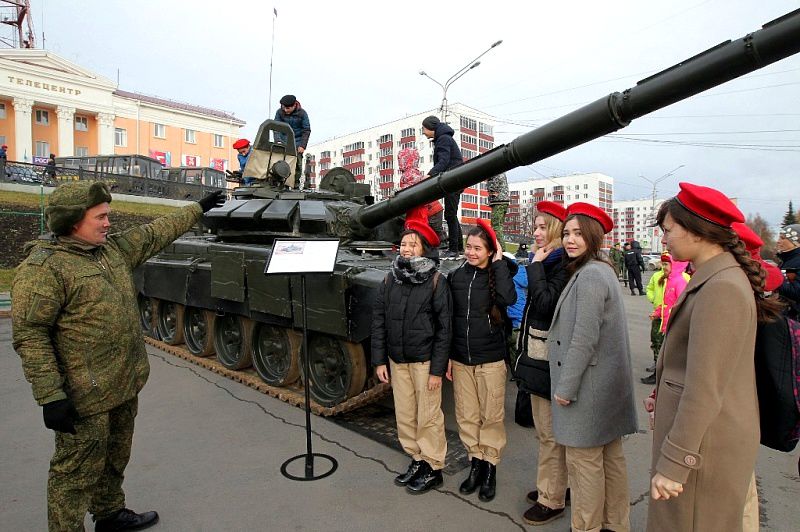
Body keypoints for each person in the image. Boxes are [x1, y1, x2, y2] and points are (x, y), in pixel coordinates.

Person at [11, 181, 225, 532]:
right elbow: (31, 334)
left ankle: (109, 513)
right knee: (74, 475)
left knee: (114, 458)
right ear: (73, 221)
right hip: (84, 396)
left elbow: (155, 232)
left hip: (123, 383)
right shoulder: (45, 270)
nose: (108, 222)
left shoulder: (111, 251)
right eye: (101, 217)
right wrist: (50, 395)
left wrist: (198, 208)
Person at [647, 182, 783, 532]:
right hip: (703, 441)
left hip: (704, 450)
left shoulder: (721, 287)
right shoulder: (713, 278)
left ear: (696, 230)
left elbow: (705, 389)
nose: (664, 239)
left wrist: (675, 463)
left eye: (669, 230)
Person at [549, 202, 638, 532]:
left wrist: (565, 388)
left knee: (584, 465)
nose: (570, 240)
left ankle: (585, 527)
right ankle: (616, 524)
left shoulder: (589, 276)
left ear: (593, 236)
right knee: (611, 460)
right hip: (604, 390)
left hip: (587, 390)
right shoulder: (601, 269)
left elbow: (583, 340)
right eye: (567, 233)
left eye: (578, 233)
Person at [371, 208, 451, 494]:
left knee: (428, 415)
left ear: (424, 248)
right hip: (397, 359)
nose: (406, 248)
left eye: (412, 244)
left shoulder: (435, 281)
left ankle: (434, 466)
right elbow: (379, 320)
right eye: (404, 243)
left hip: (424, 361)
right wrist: (379, 359)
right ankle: (417, 459)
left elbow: (444, 329)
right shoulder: (390, 278)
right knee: (405, 414)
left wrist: (437, 370)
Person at [512, 201, 572, 526]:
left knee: (549, 434)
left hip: (549, 360)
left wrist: (535, 266)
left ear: (557, 231)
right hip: (538, 358)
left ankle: (552, 499)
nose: (536, 234)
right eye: (534, 227)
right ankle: (555, 486)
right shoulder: (549, 261)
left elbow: (547, 303)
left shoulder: (561, 263)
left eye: (542, 228)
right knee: (545, 431)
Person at [448, 218, 517, 502]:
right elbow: (448, 319)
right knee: (467, 416)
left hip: (490, 359)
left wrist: (499, 263)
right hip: (462, 359)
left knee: (491, 417)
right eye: (469, 246)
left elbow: (508, 298)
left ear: (491, 251)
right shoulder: (456, 276)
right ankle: (475, 464)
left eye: (478, 248)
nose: (472, 252)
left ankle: (490, 469)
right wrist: (449, 358)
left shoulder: (498, 274)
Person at [641, 253, 690, 385]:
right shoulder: (668, 280)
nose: (664, 267)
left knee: (668, 351)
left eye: (666, 264)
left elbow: (682, 305)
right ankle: (659, 374)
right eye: (663, 264)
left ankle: (663, 376)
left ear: (676, 265)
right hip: (662, 320)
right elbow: (666, 303)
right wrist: (657, 312)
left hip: (671, 324)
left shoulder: (680, 281)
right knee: (658, 346)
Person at [421, 115, 464, 256]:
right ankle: (457, 247)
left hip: (453, 180)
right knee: (451, 214)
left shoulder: (444, 139)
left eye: (424, 129)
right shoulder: (443, 138)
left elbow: (444, 161)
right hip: (453, 180)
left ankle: (453, 250)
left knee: (450, 214)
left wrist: (430, 174)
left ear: (431, 128)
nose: (423, 132)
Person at [397, 147, 445, 244]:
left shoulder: (409, 174)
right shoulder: (415, 173)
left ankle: (440, 245)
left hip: (430, 210)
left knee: (429, 233)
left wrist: (398, 193)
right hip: (434, 208)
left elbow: (410, 191)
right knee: (436, 232)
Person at [274, 94, 311, 180]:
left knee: (297, 165)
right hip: (283, 141)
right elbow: (276, 127)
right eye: (284, 107)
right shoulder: (279, 112)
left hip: (297, 142)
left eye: (288, 108)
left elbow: (306, 130)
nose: (285, 110)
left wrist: (302, 145)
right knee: (280, 163)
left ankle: (296, 184)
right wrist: (278, 140)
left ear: (294, 105)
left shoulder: (302, 113)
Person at [776, 223, 800, 319]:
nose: (778, 241)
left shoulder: (797, 262)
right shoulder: (787, 260)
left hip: (795, 319)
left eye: (782, 238)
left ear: (796, 242)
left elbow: (797, 292)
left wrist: (774, 279)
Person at [487, 173, 510, 249]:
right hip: (503, 201)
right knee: (499, 226)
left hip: (499, 201)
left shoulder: (496, 170)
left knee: (496, 226)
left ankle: (501, 249)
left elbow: (493, 186)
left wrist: (489, 181)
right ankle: (501, 248)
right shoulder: (501, 171)